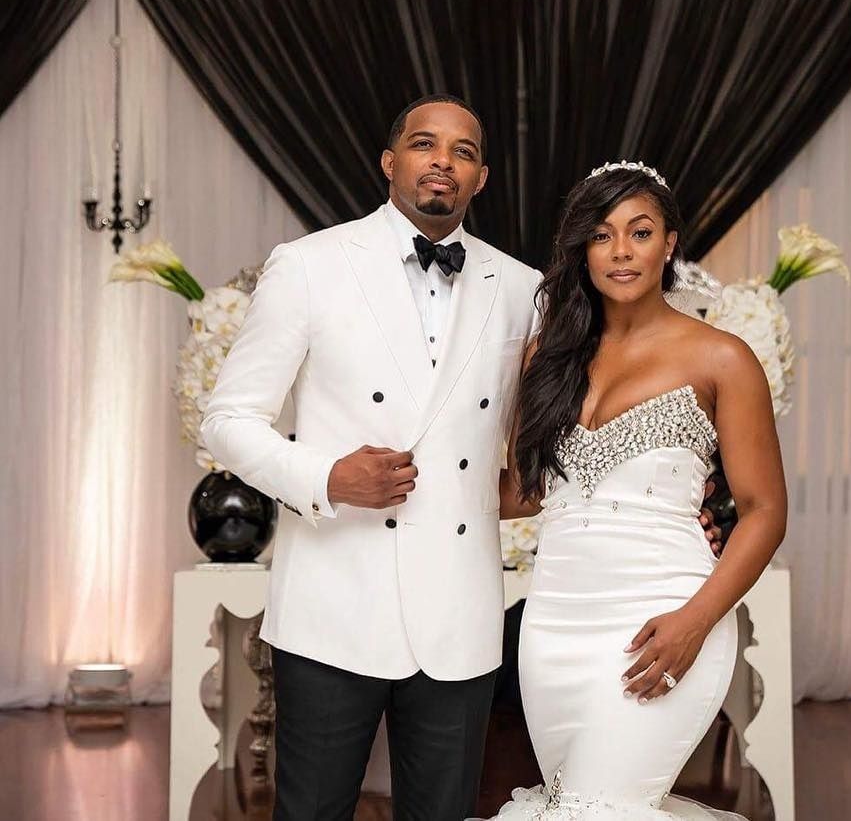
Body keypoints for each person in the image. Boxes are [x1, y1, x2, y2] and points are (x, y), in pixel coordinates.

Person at [200, 94, 545, 821]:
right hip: (333, 602)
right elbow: (228, 420)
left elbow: (536, 445)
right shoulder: (309, 265)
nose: (443, 161)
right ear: (390, 162)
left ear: (481, 177)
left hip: (458, 612)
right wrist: (327, 477)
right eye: (424, 144)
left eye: (463, 151)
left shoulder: (522, 289)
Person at [486, 162, 788, 818]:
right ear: (582, 249)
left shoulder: (722, 357)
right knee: (569, 806)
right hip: (553, 629)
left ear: (669, 243)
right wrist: (416, 476)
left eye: (640, 232)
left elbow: (765, 511)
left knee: (598, 805)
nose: (621, 250)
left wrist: (695, 623)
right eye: (602, 235)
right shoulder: (546, 358)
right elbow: (528, 493)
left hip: (665, 619)